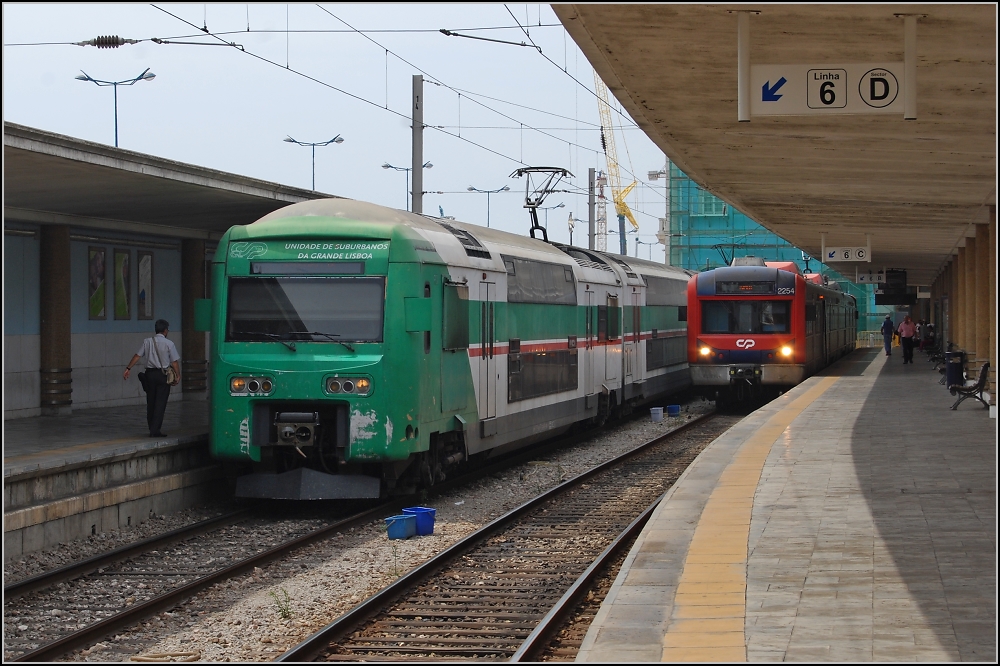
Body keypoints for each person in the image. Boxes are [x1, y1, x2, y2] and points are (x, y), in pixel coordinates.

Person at [123, 319, 181, 437]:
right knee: (160, 402)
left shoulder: (147, 342)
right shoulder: (169, 344)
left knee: (151, 401)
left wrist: (128, 368)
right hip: (162, 375)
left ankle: (151, 427)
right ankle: (155, 430)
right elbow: (174, 362)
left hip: (149, 375)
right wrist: (177, 375)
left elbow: (137, 356)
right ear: (165, 331)